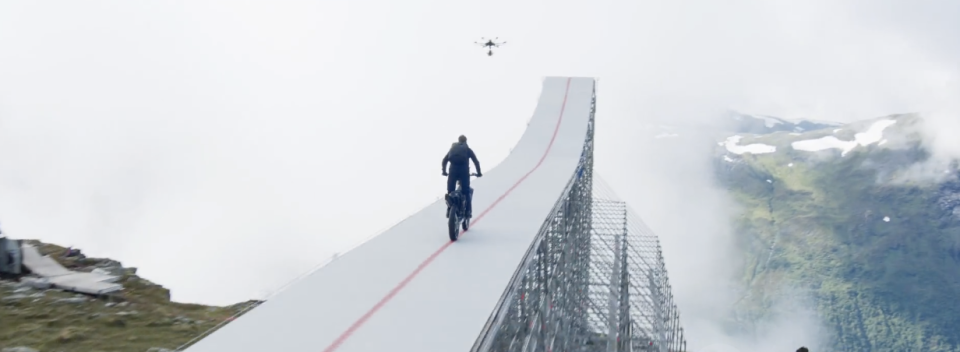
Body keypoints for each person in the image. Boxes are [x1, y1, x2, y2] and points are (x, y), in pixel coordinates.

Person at [442, 135, 482, 218]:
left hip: (452, 171)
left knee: (450, 191)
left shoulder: (453, 149)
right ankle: (468, 212)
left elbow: (444, 160)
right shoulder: (467, 149)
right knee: (466, 191)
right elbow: (476, 161)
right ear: (466, 141)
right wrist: (479, 173)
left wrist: (444, 171)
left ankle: (449, 209)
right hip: (464, 172)